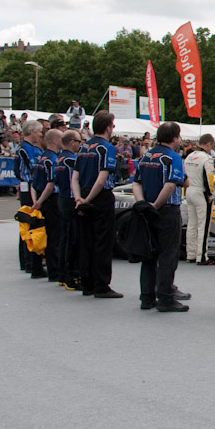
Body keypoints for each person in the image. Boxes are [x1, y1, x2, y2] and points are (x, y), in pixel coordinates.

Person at [132, 123, 189, 312]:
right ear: (175, 138)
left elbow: (136, 182)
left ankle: (147, 297)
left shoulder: (146, 156)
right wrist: (156, 205)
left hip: (146, 209)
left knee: (149, 254)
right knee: (167, 255)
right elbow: (171, 185)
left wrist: (142, 203)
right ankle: (165, 298)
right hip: (166, 210)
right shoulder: (173, 157)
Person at [71, 111, 121, 298]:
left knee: (86, 241)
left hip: (82, 193)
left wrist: (79, 199)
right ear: (108, 127)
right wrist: (89, 199)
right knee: (103, 241)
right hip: (99, 197)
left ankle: (87, 282)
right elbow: (101, 180)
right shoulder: (107, 148)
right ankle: (101, 284)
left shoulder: (84, 147)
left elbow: (74, 177)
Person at [30, 129, 64, 282]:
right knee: (53, 236)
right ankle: (54, 271)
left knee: (40, 234)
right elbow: (50, 184)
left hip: (39, 197)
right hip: (50, 199)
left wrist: (35, 201)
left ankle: (38, 268)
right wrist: (41, 201)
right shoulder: (52, 159)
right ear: (56, 141)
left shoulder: (40, 158)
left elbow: (32, 182)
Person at [14, 120, 45, 275]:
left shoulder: (31, 148)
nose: (40, 135)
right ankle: (28, 261)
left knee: (32, 223)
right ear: (32, 131)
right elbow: (32, 169)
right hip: (28, 188)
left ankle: (31, 261)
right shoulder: (24, 149)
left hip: (30, 187)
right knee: (28, 223)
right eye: (39, 131)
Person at [54, 129, 82, 290]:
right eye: (79, 141)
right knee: (73, 239)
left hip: (62, 197)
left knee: (64, 237)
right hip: (70, 199)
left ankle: (62, 273)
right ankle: (71, 276)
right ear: (72, 142)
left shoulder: (59, 159)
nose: (80, 144)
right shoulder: (71, 160)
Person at [184, 134, 215, 265]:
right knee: (203, 225)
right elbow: (209, 179)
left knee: (192, 224)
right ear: (208, 144)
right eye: (211, 146)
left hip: (189, 190)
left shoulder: (189, 156)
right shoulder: (206, 158)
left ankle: (190, 254)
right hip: (200, 192)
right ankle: (202, 256)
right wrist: (210, 195)